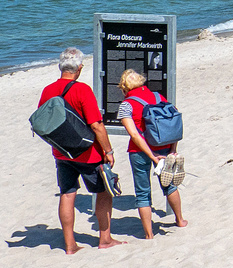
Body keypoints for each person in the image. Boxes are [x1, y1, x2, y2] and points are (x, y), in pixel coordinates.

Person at [37, 48, 121, 253]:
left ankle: (70, 244)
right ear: (80, 68)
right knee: (103, 193)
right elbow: (96, 125)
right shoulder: (82, 89)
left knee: (67, 194)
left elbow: (43, 122)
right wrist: (108, 151)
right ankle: (105, 239)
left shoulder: (48, 90)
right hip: (88, 153)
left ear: (60, 67)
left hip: (62, 152)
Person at [117, 70, 187, 238]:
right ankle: (180, 220)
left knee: (143, 192)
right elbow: (173, 123)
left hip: (139, 151)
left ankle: (149, 234)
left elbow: (134, 134)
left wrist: (151, 156)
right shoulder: (158, 97)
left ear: (125, 88)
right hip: (163, 146)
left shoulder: (127, 104)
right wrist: (172, 149)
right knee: (170, 185)